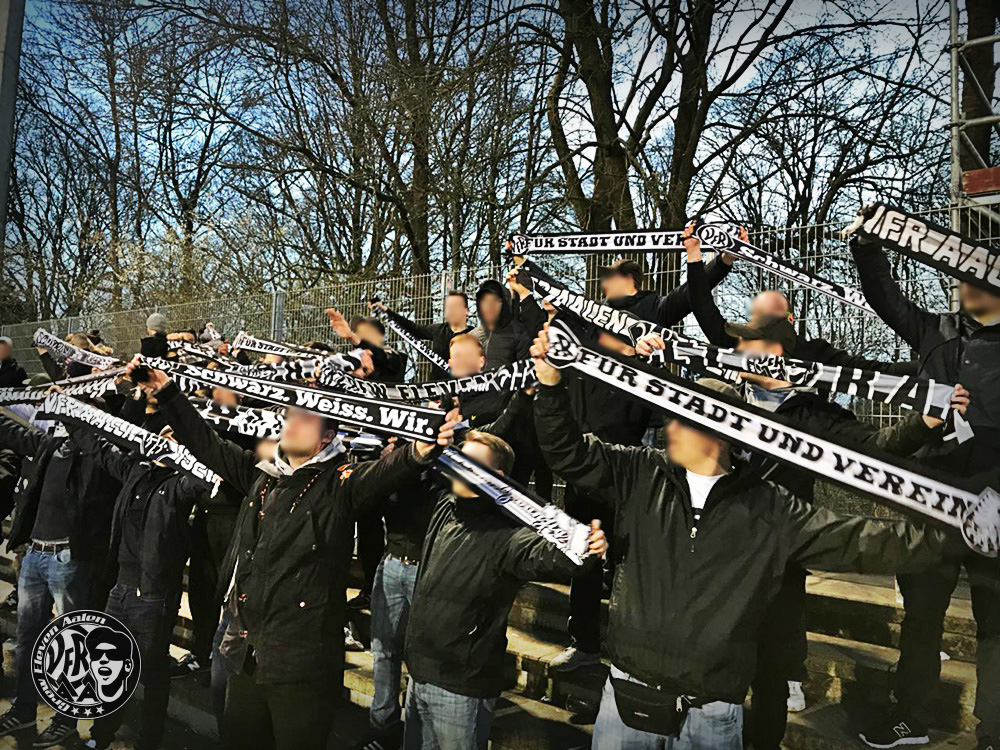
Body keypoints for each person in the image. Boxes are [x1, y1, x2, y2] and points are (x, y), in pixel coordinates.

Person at [529, 323, 965, 750]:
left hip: (713, 704)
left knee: (772, 667)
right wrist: (551, 386)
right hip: (629, 692)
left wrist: (959, 529)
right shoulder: (639, 472)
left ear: (722, 431)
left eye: (684, 418)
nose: (669, 428)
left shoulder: (770, 502)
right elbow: (569, 453)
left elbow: (859, 540)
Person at [124, 357, 460, 750]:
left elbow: (386, 472)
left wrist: (420, 449)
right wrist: (166, 392)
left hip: (302, 667)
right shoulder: (262, 475)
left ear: (326, 438)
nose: (291, 423)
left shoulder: (341, 484)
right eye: (290, 416)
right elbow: (207, 445)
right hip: (247, 656)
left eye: (305, 418)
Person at [850, 235, 1000, 750]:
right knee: (921, 616)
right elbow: (886, 298)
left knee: (995, 623)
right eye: (961, 274)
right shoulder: (936, 329)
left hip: (994, 502)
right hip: (931, 499)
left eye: (977, 274)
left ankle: (993, 731)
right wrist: (867, 247)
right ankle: (909, 717)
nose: (965, 283)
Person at [402, 430, 607, 750]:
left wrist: (586, 549)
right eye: (458, 458)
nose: (458, 466)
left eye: (469, 462)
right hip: (419, 672)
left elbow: (554, 557)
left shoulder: (509, 535)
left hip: (460, 686)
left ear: (496, 476)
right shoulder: (446, 507)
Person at [68, 422, 217, 750]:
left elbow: (208, 478)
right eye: (162, 435)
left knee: (152, 673)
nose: (164, 439)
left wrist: (187, 451)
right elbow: (99, 449)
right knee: (108, 666)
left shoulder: (180, 483)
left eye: (173, 437)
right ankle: (100, 738)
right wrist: (67, 414)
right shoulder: (136, 469)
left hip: (152, 594)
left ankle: (148, 741)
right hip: (119, 588)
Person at [0, 411, 120, 748]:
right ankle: (24, 709)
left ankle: (66, 719)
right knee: (27, 639)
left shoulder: (97, 453)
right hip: (35, 554)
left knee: (72, 645)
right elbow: (16, 433)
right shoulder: (51, 444)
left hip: (68, 557)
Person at [684, 226, 918, 373]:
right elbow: (869, 369)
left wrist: (695, 256)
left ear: (790, 318)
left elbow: (704, 309)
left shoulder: (748, 343)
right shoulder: (749, 342)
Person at [372, 291, 472, 380]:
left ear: (465, 310)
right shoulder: (438, 330)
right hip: (436, 387)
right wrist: (386, 311)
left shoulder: (474, 335)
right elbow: (413, 328)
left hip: (462, 388)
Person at [471, 280, 530, 370]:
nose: (489, 305)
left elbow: (526, 371)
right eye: (484, 300)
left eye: (495, 300)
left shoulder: (519, 333)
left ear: (505, 303)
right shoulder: (471, 337)